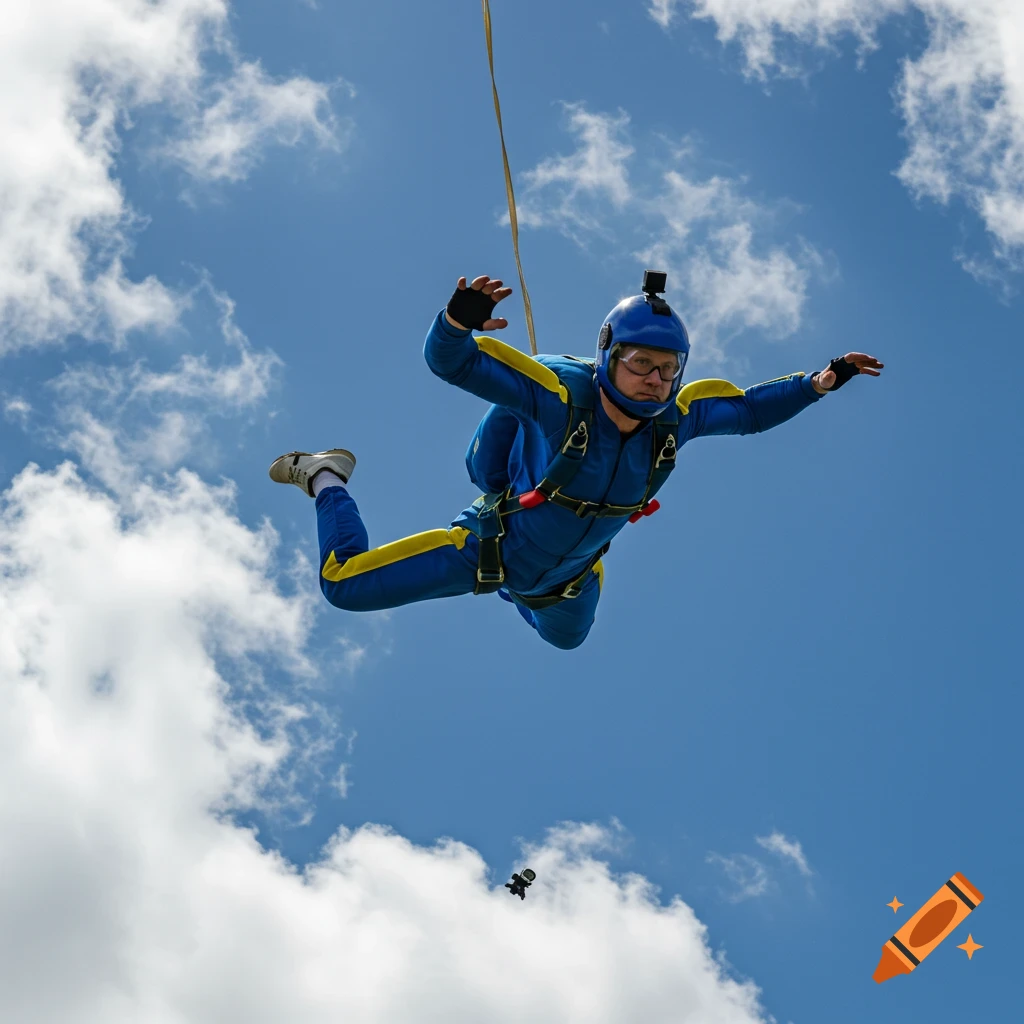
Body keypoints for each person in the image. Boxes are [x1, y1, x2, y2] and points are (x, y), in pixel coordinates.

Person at [269, 272, 883, 650]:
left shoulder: (678, 419)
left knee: (567, 643)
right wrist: (457, 322)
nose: (654, 380)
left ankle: (525, 595)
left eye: (668, 369)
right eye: (640, 363)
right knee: (342, 589)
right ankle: (326, 475)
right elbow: (453, 362)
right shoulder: (560, 395)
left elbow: (747, 409)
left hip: (566, 585)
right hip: (488, 550)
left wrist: (820, 381)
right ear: (609, 357)